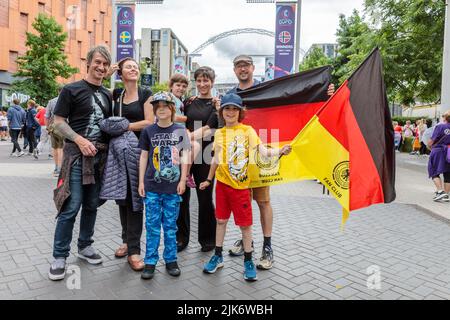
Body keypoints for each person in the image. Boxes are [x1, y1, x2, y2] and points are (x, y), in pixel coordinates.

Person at [225, 54, 335, 270]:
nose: (243, 69)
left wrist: (323, 93)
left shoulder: (268, 90)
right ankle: (247, 240)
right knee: (242, 203)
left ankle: (268, 246)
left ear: (253, 68)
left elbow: (295, 96)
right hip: (240, 157)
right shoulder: (230, 95)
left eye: (246, 65)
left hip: (263, 152)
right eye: (239, 66)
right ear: (234, 70)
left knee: (263, 202)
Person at [199, 93, 292, 281]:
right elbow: (216, 159)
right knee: (221, 221)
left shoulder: (248, 130)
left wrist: (279, 151)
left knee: (245, 226)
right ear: (222, 111)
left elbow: (263, 151)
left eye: (234, 109)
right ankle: (217, 256)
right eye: (227, 108)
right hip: (222, 186)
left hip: (241, 187)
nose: (231, 112)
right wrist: (209, 180)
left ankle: (248, 260)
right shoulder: (219, 133)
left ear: (240, 112)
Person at [48, 45, 112, 281]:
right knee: (71, 205)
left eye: (105, 64)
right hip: (75, 156)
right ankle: (59, 256)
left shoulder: (107, 94)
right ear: (88, 62)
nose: (101, 67)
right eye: (97, 62)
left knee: (92, 204)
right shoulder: (71, 89)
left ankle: (85, 246)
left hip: (99, 158)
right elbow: (58, 122)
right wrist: (79, 139)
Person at [102, 57, 154, 271]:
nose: (133, 69)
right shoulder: (116, 94)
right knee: (122, 199)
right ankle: (126, 240)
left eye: (136, 67)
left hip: (140, 152)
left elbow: (149, 122)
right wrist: (106, 75)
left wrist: (123, 126)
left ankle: (134, 251)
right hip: (119, 153)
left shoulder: (145, 94)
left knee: (135, 200)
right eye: (128, 67)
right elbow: (97, 88)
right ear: (120, 73)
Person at [138, 92, 190, 280]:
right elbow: (144, 156)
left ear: (171, 109)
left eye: (165, 106)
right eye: (157, 106)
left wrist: (183, 179)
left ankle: (171, 259)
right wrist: (141, 182)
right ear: (154, 110)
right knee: (152, 226)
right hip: (152, 186)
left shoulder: (180, 131)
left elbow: (185, 156)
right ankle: (150, 261)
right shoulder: (148, 131)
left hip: (172, 188)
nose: (161, 109)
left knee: (170, 226)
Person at [176, 66, 220, 253]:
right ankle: (181, 238)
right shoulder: (188, 102)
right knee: (181, 196)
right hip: (185, 153)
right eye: (199, 80)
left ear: (212, 81)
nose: (202, 84)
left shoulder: (216, 104)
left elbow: (209, 129)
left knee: (205, 197)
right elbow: (178, 120)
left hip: (206, 154)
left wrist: (188, 136)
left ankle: (208, 240)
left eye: (206, 80)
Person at [169, 73, 199, 188]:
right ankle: (185, 174)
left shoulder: (180, 100)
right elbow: (170, 116)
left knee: (194, 146)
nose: (181, 88)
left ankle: (186, 174)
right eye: (178, 85)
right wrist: (188, 118)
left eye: (184, 86)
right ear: (171, 85)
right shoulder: (169, 98)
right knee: (194, 146)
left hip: (179, 132)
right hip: (171, 133)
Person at [427, 111, 450, 202]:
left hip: (438, 151)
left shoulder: (440, 126)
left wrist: (429, 147)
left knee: (433, 170)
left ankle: (440, 192)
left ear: (445, 118)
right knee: (448, 173)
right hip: (449, 152)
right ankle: (446, 195)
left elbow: (431, 142)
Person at [46, 87, 65, 176]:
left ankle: (56, 168)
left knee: (55, 148)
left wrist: (47, 127)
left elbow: (47, 116)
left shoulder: (51, 101)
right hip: (64, 127)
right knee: (61, 148)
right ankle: (61, 168)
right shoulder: (67, 101)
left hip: (53, 127)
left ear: (58, 91)